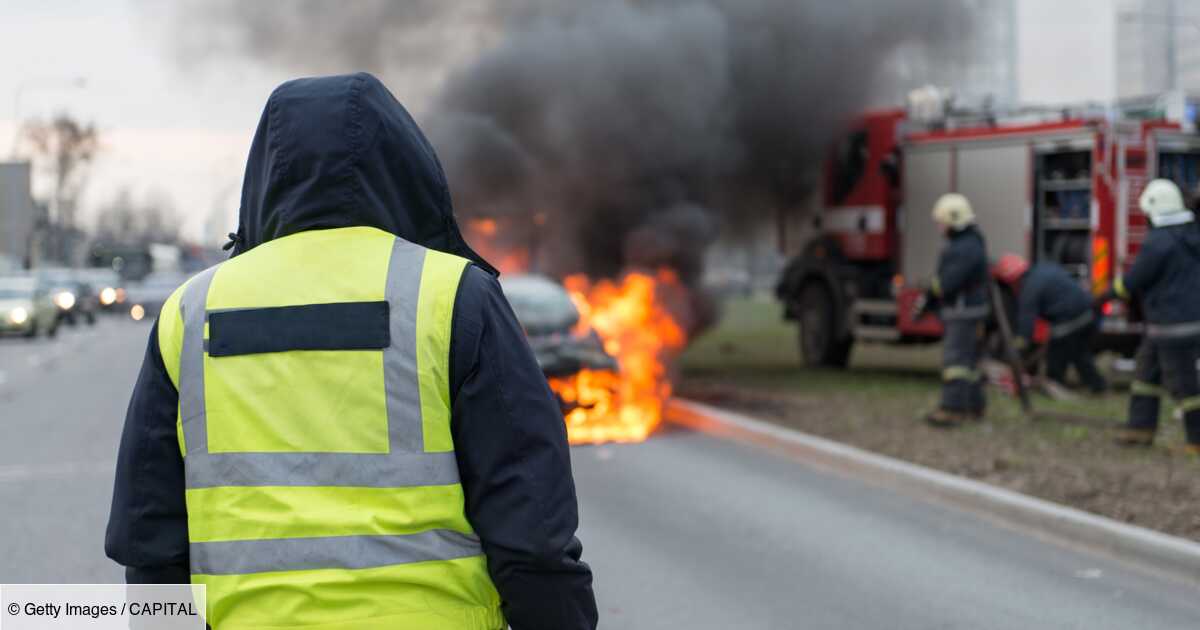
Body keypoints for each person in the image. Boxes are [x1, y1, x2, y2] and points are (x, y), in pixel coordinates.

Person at [105, 73, 598, 629]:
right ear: (406, 168)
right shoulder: (453, 296)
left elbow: (150, 542)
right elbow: (532, 531)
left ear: (266, 173)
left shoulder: (192, 311)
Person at [1103, 179, 1200, 455]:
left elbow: (1134, 281)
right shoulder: (1191, 235)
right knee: (1145, 374)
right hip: (1172, 324)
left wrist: (1104, 296)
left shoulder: (1158, 242)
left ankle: (1197, 441)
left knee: (1186, 387)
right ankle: (1139, 429)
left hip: (1172, 325)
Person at [922, 193, 990, 427]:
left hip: (962, 312)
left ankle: (952, 409)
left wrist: (931, 293)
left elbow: (947, 283)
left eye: (942, 222)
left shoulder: (962, 248)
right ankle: (974, 407)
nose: (940, 227)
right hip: (971, 310)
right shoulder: (973, 242)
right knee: (969, 364)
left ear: (954, 221)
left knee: (955, 362)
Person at [994, 254, 1106, 393]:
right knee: (1078, 353)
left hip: (1073, 319)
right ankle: (1098, 386)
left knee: (1057, 351)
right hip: (1089, 314)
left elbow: (1026, 327)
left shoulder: (1029, 289)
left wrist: (1018, 351)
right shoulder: (1041, 270)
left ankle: (1055, 384)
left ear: (1012, 280)